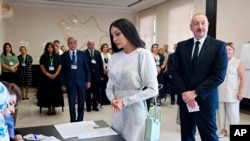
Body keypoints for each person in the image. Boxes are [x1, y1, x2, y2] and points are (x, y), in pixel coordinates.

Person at [172, 13, 228, 141]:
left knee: (209, 136)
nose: (200, 26)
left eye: (203, 23)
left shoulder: (219, 46)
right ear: (191, 27)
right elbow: (175, 71)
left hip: (205, 100)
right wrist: (185, 93)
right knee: (186, 136)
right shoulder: (182, 46)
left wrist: (196, 92)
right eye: (196, 23)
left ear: (208, 25)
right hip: (185, 100)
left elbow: (219, 75)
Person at [106, 18, 158, 141]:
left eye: (118, 34)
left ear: (128, 31)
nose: (114, 39)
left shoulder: (143, 54)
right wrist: (113, 99)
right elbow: (109, 86)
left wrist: (125, 101)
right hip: (117, 111)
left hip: (135, 109)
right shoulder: (114, 57)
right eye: (112, 35)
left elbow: (153, 89)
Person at [217, 42, 246, 138]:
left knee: (233, 114)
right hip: (220, 91)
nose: (227, 51)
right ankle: (222, 130)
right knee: (221, 113)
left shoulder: (238, 62)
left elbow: (243, 78)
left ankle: (236, 132)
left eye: (229, 49)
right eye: (225, 49)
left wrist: (241, 91)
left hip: (233, 92)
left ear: (233, 51)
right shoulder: (219, 62)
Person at [60, 37, 91, 122]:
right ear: (68, 44)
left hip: (82, 81)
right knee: (71, 102)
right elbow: (62, 72)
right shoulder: (63, 56)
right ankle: (73, 120)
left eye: (74, 42)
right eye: (70, 43)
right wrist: (62, 84)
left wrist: (88, 80)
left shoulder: (82, 54)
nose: (72, 44)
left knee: (81, 102)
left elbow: (87, 68)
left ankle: (80, 119)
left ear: (76, 44)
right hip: (70, 82)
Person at [37, 42, 64, 115]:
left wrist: (55, 74)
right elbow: (42, 66)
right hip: (46, 78)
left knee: (55, 92)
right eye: (48, 47)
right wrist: (48, 74)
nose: (50, 49)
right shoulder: (43, 56)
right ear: (46, 48)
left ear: (54, 48)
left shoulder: (57, 56)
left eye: (51, 47)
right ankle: (49, 107)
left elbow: (60, 65)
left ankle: (54, 107)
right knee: (47, 92)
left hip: (56, 78)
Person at [84, 40, 104, 112]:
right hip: (88, 77)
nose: (92, 45)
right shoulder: (84, 53)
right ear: (87, 45)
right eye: (90, 44)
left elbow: (101, 64)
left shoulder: (97, 53)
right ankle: (88, 106)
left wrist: (102, 75)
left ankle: (95, 105)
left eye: (93, 44)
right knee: (88, 92)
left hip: (97, 76)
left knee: (96, 92)